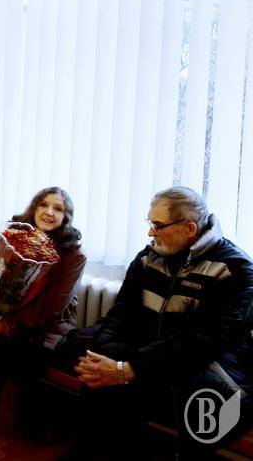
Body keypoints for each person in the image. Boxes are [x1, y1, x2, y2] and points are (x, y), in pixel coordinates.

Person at [69, 187, 253, 458]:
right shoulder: (147, 258)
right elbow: (121, 314)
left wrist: (129, 369)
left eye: (157, 225)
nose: (149, 233)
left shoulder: (235, 269)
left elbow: (205, 342)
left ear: (189, 228)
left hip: (208, 365)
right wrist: (101, 356)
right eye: (150, 223)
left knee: (196, 395)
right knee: (98, 362)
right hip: (155, 354)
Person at [0, 187, 86, 444]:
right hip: (8, 320)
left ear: (66, 217)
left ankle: (29, 416)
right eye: (43, 205)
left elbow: (53, 307)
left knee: (21, 351)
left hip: (46, 326)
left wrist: (6, 326)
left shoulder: (74, 255)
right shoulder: (15, 237)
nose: (49, 212)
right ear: (34, 208)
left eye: (58, 209)